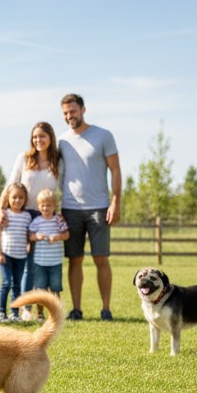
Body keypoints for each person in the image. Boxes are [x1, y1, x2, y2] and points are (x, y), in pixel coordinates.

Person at [57, 93, 122, 321]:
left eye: (72, 111)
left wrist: (115, 202)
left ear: (83, 110)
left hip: (100, 207)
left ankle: (106, 309)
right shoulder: (62, 141)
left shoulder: (103, 136)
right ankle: (76, 309)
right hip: (70, 208)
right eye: (65, 113)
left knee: (101, 258)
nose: (69, 116)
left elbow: (115, 169)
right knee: (75, 259)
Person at [0, 122, 63, 319]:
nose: (38, 140)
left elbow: (64, 187)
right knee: (26, 264)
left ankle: (44, 305)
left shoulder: (57, 161)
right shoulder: (24, 158)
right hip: (23, 215)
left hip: (46, 216)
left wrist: (61, 214)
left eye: (42, 136)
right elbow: (10, 185)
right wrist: (1, 208)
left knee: (39, 264)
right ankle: (25, 308)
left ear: (50, 138)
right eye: (35, 137)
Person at [27, 188, 69, 320]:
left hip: (55, 261)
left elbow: (67, 235)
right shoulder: (37, 221)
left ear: (54, 206)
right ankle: (40, 314)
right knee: (40, 289)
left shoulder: (58, 220)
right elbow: (30, 236)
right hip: (40, 262)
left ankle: (56, 313)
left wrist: (58, 237)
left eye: (49, 205)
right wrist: (37, 236)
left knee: (55, 288)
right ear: (39, 206)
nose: (45, 208)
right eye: (43, 205)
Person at [0, 183, 32, 322]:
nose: (17, 200)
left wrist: (28, 246)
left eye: (21, 197)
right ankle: (1, 313)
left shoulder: (27, 216)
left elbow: (28, 234)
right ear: (8, 198)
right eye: (14, 197)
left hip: (21, 256)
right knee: (6, 283)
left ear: (25, 199)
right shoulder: (5, 214)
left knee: (17, 285)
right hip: (6, 255)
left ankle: (14, 313)